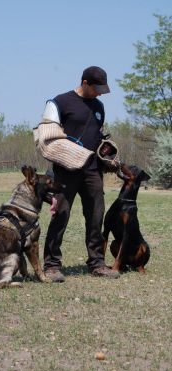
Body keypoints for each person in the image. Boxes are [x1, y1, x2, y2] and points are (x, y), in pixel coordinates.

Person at [41, 66, 120, 282]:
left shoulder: (99, 107)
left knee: (96, 216)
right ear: (85, 83)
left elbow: (96, 135)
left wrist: (106, 151)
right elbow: (47, 136)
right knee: (61, 216)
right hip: (65, 171)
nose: (100, 93)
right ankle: (52, 265)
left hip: (92, 170)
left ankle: (97, 263)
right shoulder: (60, 102)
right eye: (97, 88)